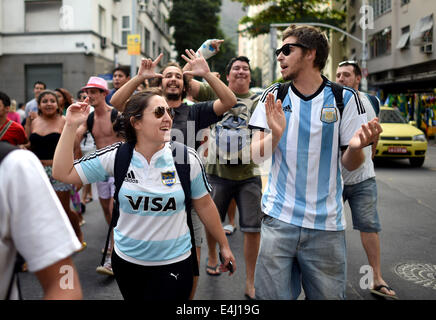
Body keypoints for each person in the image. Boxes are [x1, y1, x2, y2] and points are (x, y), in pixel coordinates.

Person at [52, 88, 236, 300]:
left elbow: (204, 205)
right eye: (159, 112)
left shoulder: (186, 158)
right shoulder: (117, 156)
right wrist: (70, 125)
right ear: (136, 122)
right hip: (128, 264)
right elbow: (62, 172)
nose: (168, 118)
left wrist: (224, 245)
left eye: (169, 112)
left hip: (176, 262)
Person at [248, 24, 382, 300]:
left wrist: (356, 148)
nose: (280, 57)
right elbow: (256, 156)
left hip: (326, 227)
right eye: (278, 51)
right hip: (278, 220)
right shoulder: (274, 96)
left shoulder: (345, 99)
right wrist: (275, 135)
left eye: (287, 49)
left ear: (310, 54)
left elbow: (350, 164)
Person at [110, 51, 237, 299]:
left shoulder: (196, 111)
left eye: (178, 76)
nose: (173, 79)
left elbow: (229, 101)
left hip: (191, 194)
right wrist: (138, 78)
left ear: (184, 83)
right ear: (161, 82)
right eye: (168, 75)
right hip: (153, 194)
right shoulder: (149, 108)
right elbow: (116, 102)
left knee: (191, 261)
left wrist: (207, 74)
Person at [186, 54, 262, 300]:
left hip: (249, 174)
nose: (241, 71)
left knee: (252, 228)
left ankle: (250, 281)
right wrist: (202, 56)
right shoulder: (212, 92)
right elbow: (184, 81)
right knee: (212, 221)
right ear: (227, 75)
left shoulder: (260, 99)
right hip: (216, 172)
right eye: (236, 68)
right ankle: (211, 254)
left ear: (250, 75)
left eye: (245, 69)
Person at [336, 60, 397, 299]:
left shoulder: (372, 101)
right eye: (338, 74)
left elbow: (375, 128)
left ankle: (376, 278)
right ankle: (331, 278)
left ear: (358, 78)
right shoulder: (334, 100)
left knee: (369, 227)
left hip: (364, 179)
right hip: (334, 180)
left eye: (347, 75)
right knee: (331, 230)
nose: (341, 79)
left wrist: (372, 150)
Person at [0, 142, 83, 300]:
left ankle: (76, 232)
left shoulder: (13, 166)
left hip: (56, 173)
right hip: (41, 169)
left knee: (64, 210)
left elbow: (65, 281)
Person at [74, 76, 124, 276]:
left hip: (119, 165)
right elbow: (77, 134)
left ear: (104, 93)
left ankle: (113, 253)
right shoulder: (89, 117)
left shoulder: (116, 114)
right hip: (102, 168)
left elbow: (127, 139)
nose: (90, 95)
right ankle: (115, 240)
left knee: (114, 208)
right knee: (106, 207)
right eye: (88, 92)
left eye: (94, 91)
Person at [27, 90, 85, 250]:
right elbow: (28, 144)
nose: (48, 104)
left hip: (59, 172)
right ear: (38, 105)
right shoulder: (33, 122)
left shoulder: (66, 121)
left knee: (63, 209)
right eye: (44, 101)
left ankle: (77, 234)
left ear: (58, 104)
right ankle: (50, 241)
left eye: (52, 100)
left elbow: (76, 149)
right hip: (37, 171)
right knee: (41, 210)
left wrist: (77, 174)